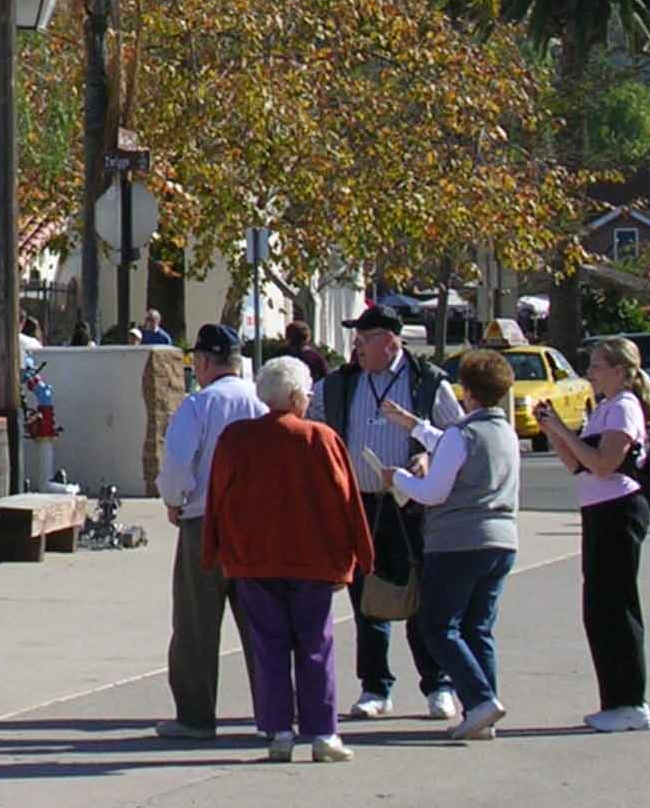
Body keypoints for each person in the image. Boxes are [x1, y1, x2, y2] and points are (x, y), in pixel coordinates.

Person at [200, 355, 372, 763]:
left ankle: (278, 731)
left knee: (268, 646)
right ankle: (323, 733)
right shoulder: (321, 438)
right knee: (315, 644)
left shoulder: (236, 439)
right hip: (313, 560)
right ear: (296, 397)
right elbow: (347, 500)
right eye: (308, 393)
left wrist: (213, 549)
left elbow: (216, 496)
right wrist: (360, 555)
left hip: (253, 559)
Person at [318, 305, 465, 722]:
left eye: (364, 339)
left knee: (421, 595)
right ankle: (375, 687)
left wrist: (428, 459)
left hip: (412, 504)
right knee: (367, 597)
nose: (357, 347)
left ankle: (437, 685)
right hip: (361, 503)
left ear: (389, 341)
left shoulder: (428, 382)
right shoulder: (341, 383)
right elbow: (313, 424)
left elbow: (458, 438)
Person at [387, 347, 522, 742]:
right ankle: (484, 709)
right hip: (501, 539)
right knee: (478, 628)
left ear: (467, 391)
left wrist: (396, 478)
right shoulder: (504, 432)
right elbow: (448, 446)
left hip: (457, 542)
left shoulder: (461, 435)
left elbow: (433, 491)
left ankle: (480, 700)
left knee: (438, 625)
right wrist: (415, 426)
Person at [153, 323, 259, 739]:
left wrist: (173, 499)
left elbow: (178, 463)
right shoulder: (260, 400)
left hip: (205, 521)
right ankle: (273, 710)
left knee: (196, 624)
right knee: (260, 622)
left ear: (204, 362)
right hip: (253, 525)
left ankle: (195, 716)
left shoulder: (199, 405)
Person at [547, 336, 650, 732]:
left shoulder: (625, 407)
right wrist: (554, 431)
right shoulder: (603, 409)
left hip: (619, 512)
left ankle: (631, 702)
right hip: (597, 511)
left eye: (597, 366)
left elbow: (603, 464)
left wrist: (565, 430)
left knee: (616, 608)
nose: (590, 373)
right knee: (597, 609)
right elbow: (578, 465)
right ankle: (613, 700)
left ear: (620, 371)